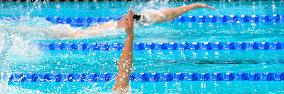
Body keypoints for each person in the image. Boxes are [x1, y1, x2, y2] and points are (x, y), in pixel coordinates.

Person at [44, 3, 215, 39]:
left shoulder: (142, 20)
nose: (125, 19)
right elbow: (168, 14)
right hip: (78, 34)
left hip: (79, 34)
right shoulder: (115, 27)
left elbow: (169, 14)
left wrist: (195, 5)